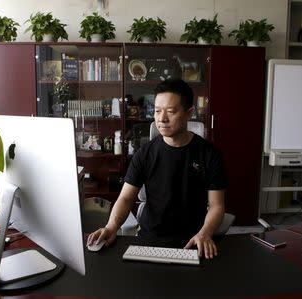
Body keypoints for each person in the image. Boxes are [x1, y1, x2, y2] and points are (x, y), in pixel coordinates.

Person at [87, 79, 226, 259]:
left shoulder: (209, 154)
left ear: (189, 113)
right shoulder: (145, 153)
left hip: (193, 240)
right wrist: (111, 227)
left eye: (170, 111)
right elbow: (126, 197)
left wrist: (205, 233)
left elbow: (217, 206)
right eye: (157, 111)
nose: (162, 118)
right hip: (150, 239)